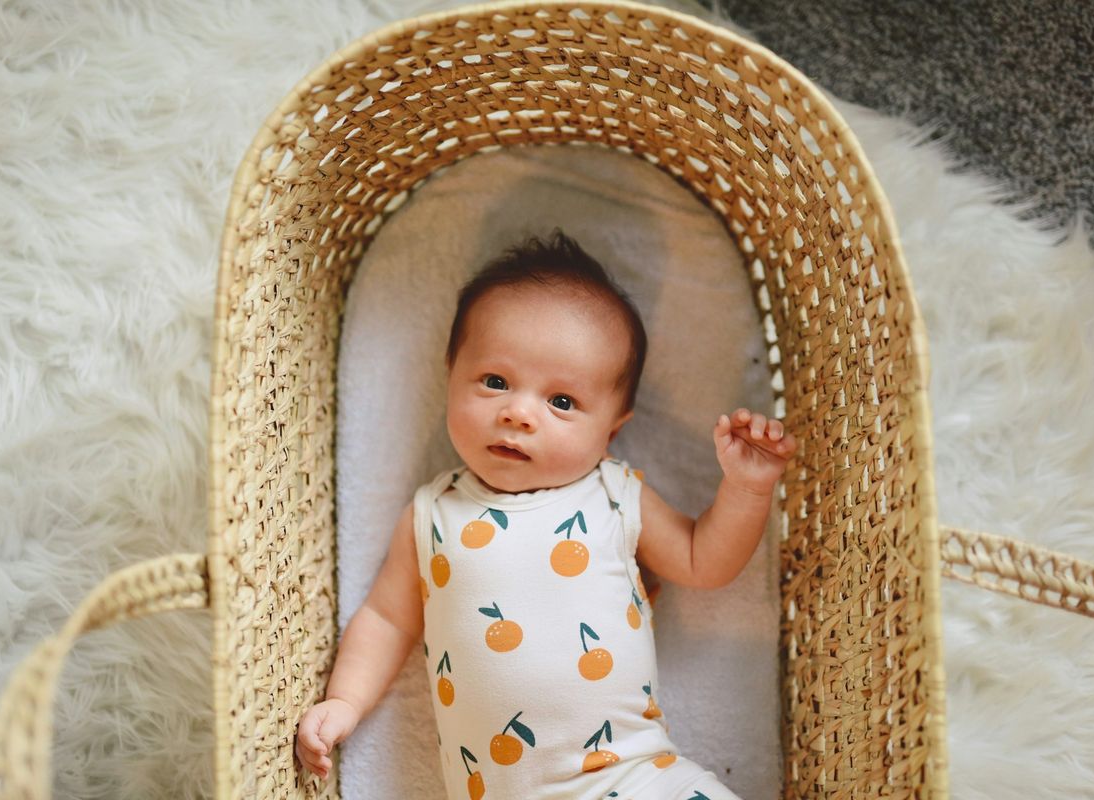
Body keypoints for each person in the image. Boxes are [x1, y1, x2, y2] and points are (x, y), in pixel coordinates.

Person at [295, 230, 796, 799]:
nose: (518, 412)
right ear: (450, 375)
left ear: (613, 428)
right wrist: (343, 702)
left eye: (561, 402)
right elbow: (386, 620)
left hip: (631, 776)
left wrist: (748, 489)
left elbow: (703, 560)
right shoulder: (432, 515)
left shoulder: (612, 494)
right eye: (495, 381)